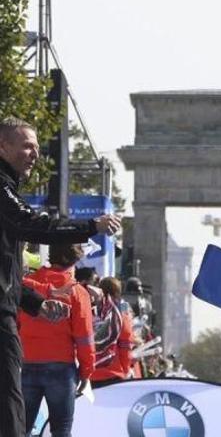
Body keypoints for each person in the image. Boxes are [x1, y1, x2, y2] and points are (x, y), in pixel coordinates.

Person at [0, 117, 120, 437]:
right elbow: (31, 224)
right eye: (27, 145)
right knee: (14, 405)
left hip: (16, 325)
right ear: (2, 146)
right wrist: (90, 227)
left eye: (37, 147)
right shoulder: (1, 187)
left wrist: (35, 303)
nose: (34, 154)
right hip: (34, 348)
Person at [19, 244, 95, 437]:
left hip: (26, 363)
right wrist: (86, 372)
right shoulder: (78, 292)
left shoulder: (27, 285)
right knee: (61, 431)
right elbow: (84, 338)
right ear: (75, 261)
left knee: (19, 429)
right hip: (61, 369)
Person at [90, 277, 134, 388]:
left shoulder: (90, 312)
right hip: (113, 374)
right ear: (117, 292)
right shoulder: (120, 314)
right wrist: (125, 369)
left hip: (89, 374)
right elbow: (125, 345)